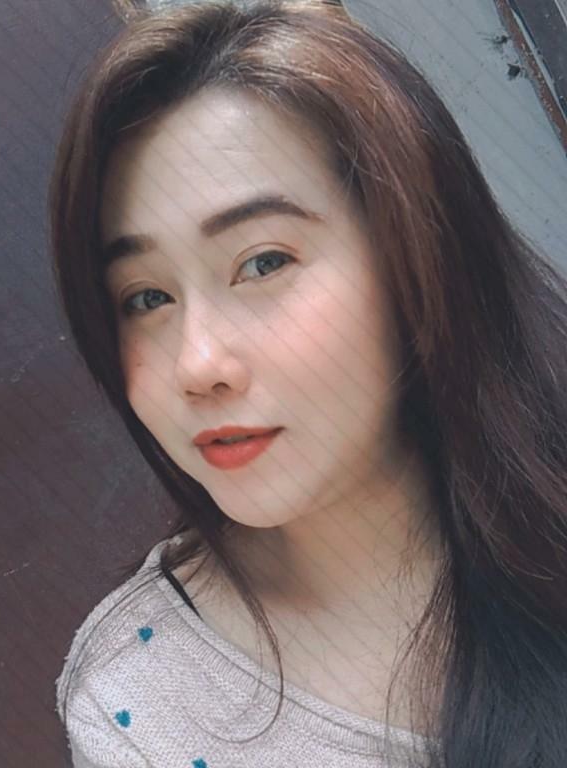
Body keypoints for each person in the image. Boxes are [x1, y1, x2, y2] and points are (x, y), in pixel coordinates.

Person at [49, 0, 567, 766]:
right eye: (146, 298)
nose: (198, 364)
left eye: (263, 262)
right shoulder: (138, 705)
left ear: (416, 252)